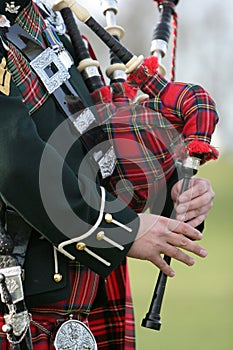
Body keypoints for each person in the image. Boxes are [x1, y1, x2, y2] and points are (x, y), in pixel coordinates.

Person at [0, 1, 216, 349]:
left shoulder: (43, 21)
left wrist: (173, 184)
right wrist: (118, 231)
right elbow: (13, 161)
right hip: (21, 302)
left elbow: (90, 142)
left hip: (84, 294)